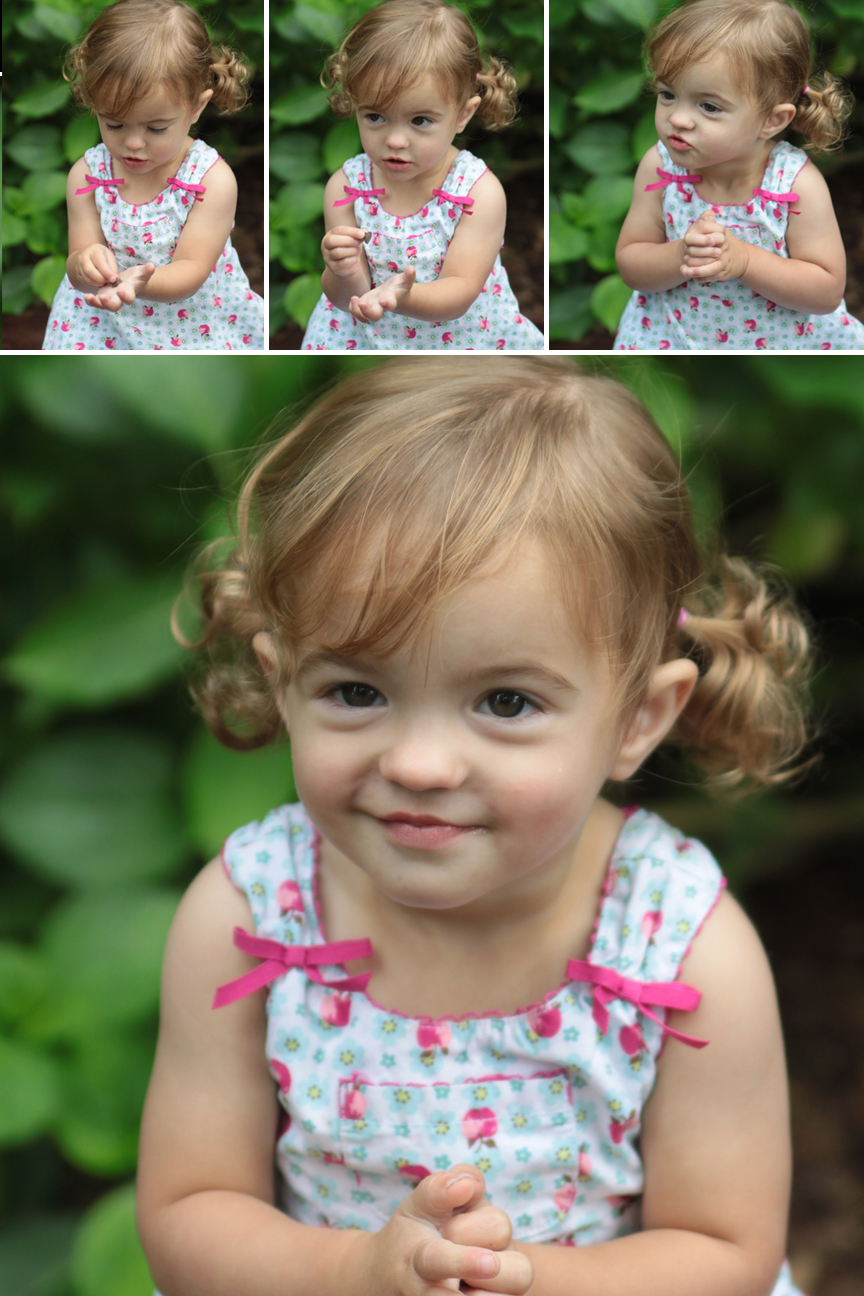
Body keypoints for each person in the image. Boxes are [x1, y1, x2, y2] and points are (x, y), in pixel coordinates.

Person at [138, 358, 811, 1296]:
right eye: (357, 690)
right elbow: (189, 1210)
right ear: (283, 680)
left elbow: (722, 1252)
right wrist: (359, 1272)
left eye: (504, 700)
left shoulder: (681, 950)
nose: (418, 764)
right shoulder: (251, 920)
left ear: (636, 720)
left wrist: (514, 1279)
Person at [614, 0, 864, 351]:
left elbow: (825, 291)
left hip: (781, 346)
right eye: (668, 94)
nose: (679, 119)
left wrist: (745, 260)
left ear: (772, 121)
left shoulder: (794, 185)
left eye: (709, 106)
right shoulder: (660, 168)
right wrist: (680, 254)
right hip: (672, 338)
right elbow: (631, 263)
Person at [301, 0, 543, 351]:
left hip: (460, 342)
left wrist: (402, 297)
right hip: (365, 342)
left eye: (420, 121)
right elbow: (347, 301)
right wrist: (344, 271)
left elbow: (459, 291)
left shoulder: (477, 193)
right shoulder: (347, 188)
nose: (395, 141)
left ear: (463, 114)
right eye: (375, 117)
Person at [43, 0, 264, 352]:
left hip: (190, 321)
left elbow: (191, 270)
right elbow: (79, 254)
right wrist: (84, 265)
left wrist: (140, 283)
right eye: (113, 123)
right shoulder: (88, 175)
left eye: (156, 128)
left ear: (196, 107)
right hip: (102, 320)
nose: (133, 143)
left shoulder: (209, 181)